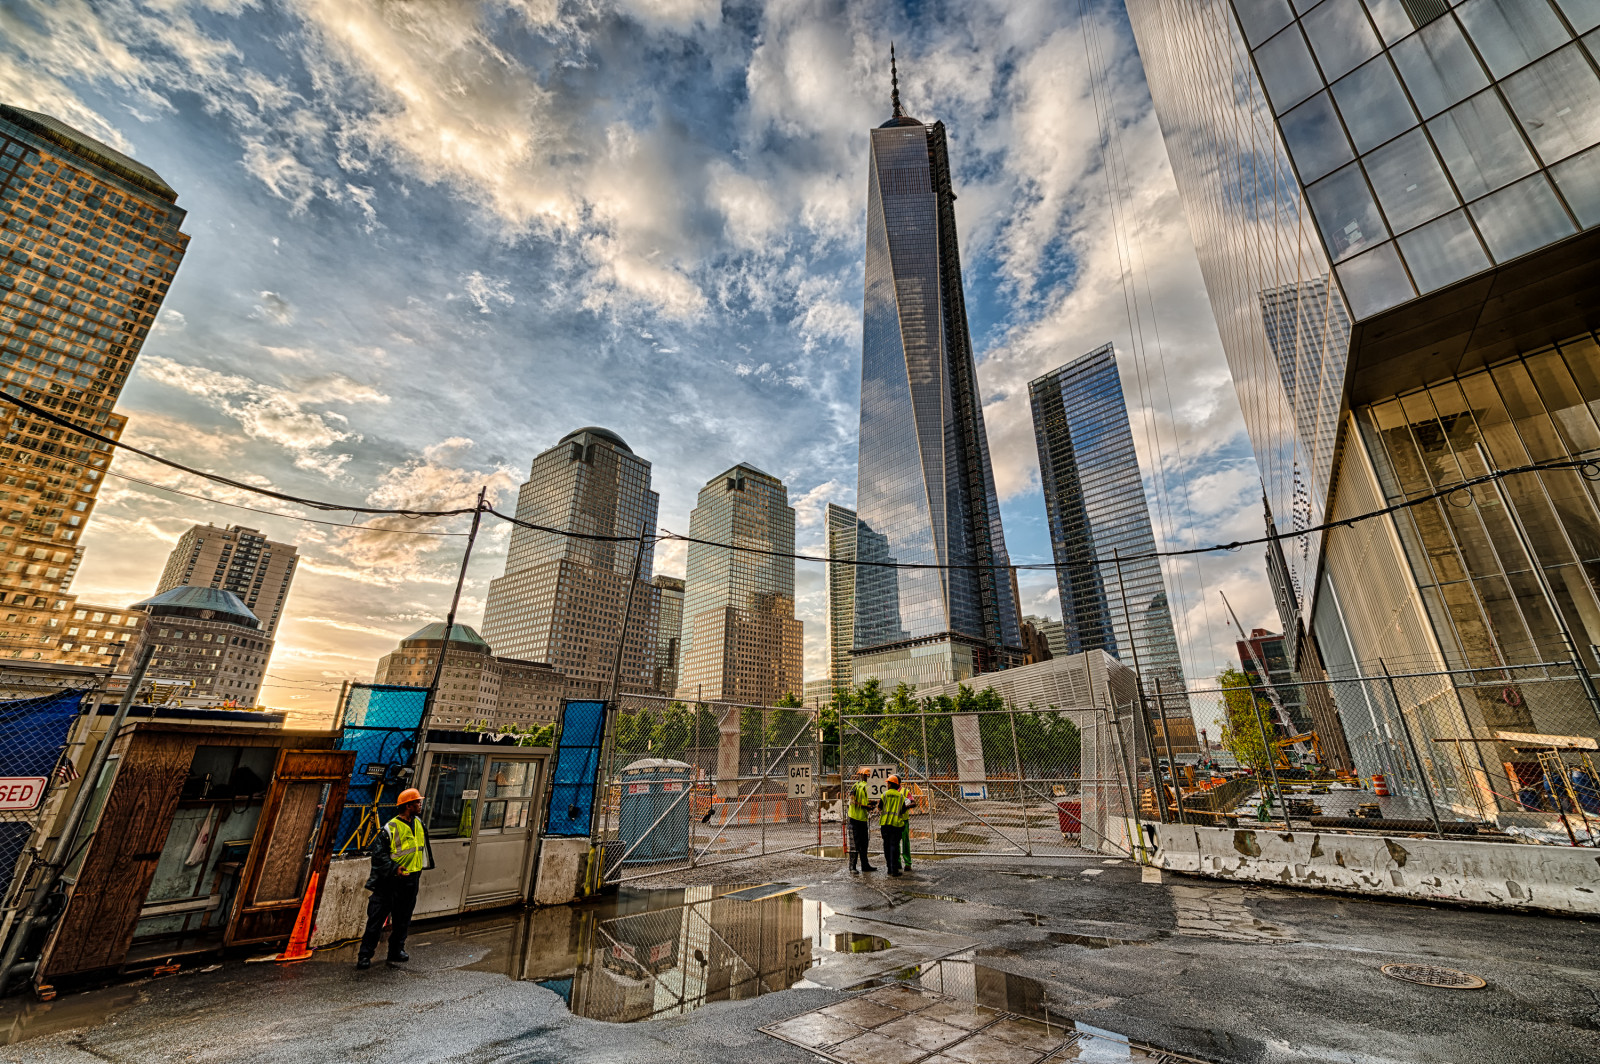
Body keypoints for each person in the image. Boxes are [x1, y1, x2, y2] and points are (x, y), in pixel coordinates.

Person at [358, 787, 427, 969]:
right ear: (408, 806)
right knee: (377, 919)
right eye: (417, 802)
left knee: (403, 919)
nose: (420, 805)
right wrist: (394, 869)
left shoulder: (419, 823)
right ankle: (365, 955)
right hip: (390, 882)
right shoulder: (390, 828)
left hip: (411, 879)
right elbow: (378, 856)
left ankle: (396, 950)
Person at [847, 766, 876, 873]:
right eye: (865, 775)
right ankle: (852, 867)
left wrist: (870, 803)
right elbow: (852, 801)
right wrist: (866, 806)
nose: (866, 777)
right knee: (854, 844)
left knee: (864, 844)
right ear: (860, 775)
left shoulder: (864, 788)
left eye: (867, 776)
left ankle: (865, 865)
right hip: (854, 820)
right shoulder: (856, 787)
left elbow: (862, 801)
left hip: (862, 820)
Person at [880, 774, 908, 877]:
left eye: (888, 783)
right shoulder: (901, 796)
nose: (887, 785)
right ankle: (895, 869)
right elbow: (904, 809)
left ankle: (889, 869)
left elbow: (879, 808)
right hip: (896, 825)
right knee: (894, 847)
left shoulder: (884, 795)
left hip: (885, 824)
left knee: (886, 846)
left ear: (891, 784)